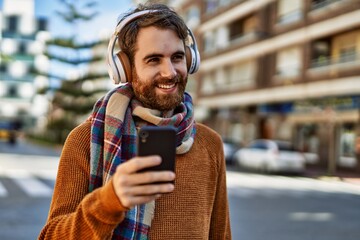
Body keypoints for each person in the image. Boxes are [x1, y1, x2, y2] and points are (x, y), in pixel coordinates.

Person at [39, 3, 231, 239]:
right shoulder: (84, 140)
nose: (169, 72)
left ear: (191, 60)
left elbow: (221, 235)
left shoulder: (209, 144)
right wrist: (110, 202)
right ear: (126, 69)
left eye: (177, 57)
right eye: (153, 60)